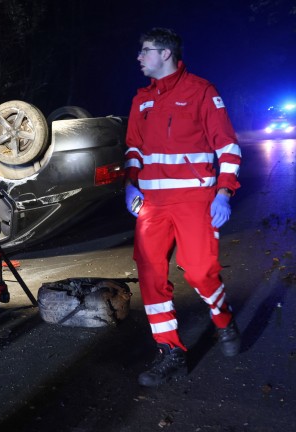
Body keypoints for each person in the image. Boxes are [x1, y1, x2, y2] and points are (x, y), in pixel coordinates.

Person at [124, 28, 242, 387]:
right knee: (150, 274)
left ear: (166, 53)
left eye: (145, 51)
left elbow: (228, 148)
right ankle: (170, 351)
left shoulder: (202, 92)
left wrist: (224, 193)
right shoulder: (141, 99)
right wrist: (129, 184)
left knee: (199, 272)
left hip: (196, 199)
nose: (139, 57)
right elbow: (133, 148)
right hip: (153, 205)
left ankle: (223, 318)